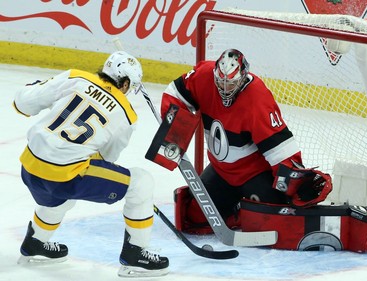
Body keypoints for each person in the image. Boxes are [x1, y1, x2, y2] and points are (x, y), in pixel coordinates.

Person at [13, 51, 169, 277]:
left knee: (63, 190)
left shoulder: (75, 76)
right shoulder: (126, 114)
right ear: (125, 83)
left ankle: (35, 242)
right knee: (141, 182)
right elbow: (105, 158)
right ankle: (136, 255)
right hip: (64, 179)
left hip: (28, 167)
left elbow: (22, 103)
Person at [159, 49, 332, 234]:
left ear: (242, 78)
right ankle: (236, 214)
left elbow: (279, 148)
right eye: (221, 82)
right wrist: (174, 131)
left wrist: (296, 183)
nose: (225, 88)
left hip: (254, 174)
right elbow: (175, 93)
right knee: (194, 220)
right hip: (221, 170)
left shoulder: (257, 98)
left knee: (273, 224)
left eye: (231, 83)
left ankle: (248, 210)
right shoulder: (204, 76)